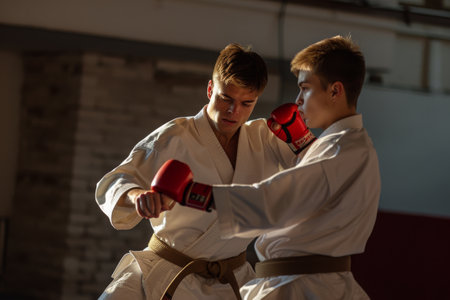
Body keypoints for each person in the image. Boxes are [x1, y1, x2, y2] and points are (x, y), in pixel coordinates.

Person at [150, 35, 381, 299]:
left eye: (305, 88)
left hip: (302, 288)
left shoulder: (341, 149)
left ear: (335, 91)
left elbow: (273, 201)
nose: (298, 100)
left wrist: (193, 193)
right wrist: (304, 144)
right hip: (301, 283)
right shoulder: (346, 146)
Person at [95, 43, 298, 300]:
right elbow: (115, 181)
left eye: (247, 103)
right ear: (210, 89)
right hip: (166, 271)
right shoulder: (175, 136)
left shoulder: (267, 139)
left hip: (232, 281)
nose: (234, 111)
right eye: (226, 98)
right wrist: (138, 196)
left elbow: (314, 180)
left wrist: (305, 143)